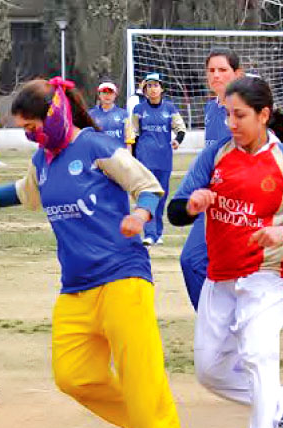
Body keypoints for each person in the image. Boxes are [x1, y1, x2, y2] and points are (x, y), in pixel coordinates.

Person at [0, 77, 199, 428]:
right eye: (25, 131)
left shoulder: (95, 146)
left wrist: (142, 215)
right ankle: (135, 419)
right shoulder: (43, 159)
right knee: (72, 375)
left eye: (32, 127)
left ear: (55, 115)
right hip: (76, 285)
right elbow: (24, 193)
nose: (30, 137)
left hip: (123, 275)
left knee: (140, 371)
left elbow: (146, 185)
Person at [168, 76, 283, 428]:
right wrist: (192, 204)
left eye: (239, 115)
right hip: (220, 277)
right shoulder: (215, 155)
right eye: (227, 115)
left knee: (258, 352)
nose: (231, 123)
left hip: (268, 275)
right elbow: (173, 211)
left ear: (263, 115)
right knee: (209, 370)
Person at [179, 48, 243, 310]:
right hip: (211, 204)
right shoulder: (211, 108)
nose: (216, 75)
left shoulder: (246, 110)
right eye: (211, 70)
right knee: (192, 261)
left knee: (240, 274)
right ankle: (212, 320)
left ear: (237, 74)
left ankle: (234, 326)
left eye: (222, 70)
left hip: (240, 205)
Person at [126, 72, 186, 246]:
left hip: (164, 160)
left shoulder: (170, 108)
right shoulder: (139, 110)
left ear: (161, 88)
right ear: (145, 90)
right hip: (145, 159)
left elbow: (180, 129)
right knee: (148, 194)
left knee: (162, 196)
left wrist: (177, 141)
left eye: (156, 86)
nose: (153, 89)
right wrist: (132, 157)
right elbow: (133, 134)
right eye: (149, 86)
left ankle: (158, 233)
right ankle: (150, 233)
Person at [88, 81, 128, 146]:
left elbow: (128, 139)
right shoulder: (91, 114)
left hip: (118, 153)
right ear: (99, 95)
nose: (107, 95)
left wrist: (128, 155)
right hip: (98, 154)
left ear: (115, 95)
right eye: (104, 92)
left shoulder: (124, 114)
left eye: (110, 93)